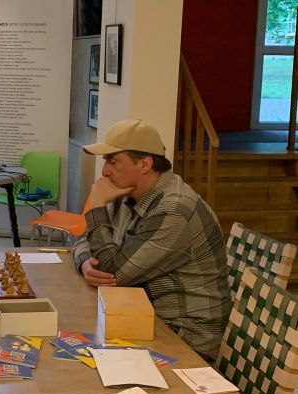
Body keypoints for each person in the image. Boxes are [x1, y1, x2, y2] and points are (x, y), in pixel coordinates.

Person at [72, 118, 230, 361]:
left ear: (145, 164)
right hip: (143, 316)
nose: (104, 172)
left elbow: (112, 274)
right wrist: (85, 263)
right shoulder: (127, 192)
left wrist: (96, 206)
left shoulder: (174, 209)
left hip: (184, 338)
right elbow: (86, 239)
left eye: (113, 161)